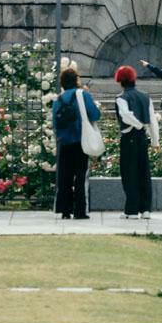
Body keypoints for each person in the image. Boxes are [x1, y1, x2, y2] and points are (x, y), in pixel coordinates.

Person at [52, 65, 98, 219]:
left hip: (64, 142)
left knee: (64, 177)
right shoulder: (82, 95)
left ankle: (65, 210)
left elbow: (55, 123)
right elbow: (95, 114)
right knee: (80, 176)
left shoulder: (58, 100)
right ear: (76, 80)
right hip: (80, 140)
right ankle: (80, 211)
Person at [113, 65, 157, 218]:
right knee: (144, 172)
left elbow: (126, 116)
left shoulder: (121, 98)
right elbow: (152, 120)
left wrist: (137, 123)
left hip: (128, 137)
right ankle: (146, 209)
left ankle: (131, 210)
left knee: (129, 172)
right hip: (142, 137)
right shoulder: (145, 97)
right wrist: (155, 141)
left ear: (120, 81)